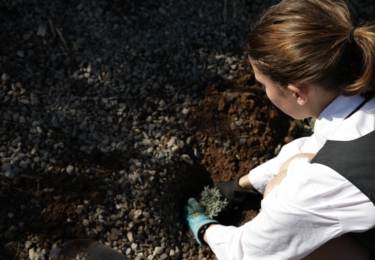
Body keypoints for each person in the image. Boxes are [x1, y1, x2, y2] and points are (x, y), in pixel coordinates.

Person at [184, 0, 375, 259]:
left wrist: (204, 227)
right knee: (295, 164)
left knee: (291, 214)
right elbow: (316, 146)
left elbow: (246, 252)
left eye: (263, 84)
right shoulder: (362, 99)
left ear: (297, 93)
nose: (264, 92)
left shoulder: (322, 184)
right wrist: (243, 184)